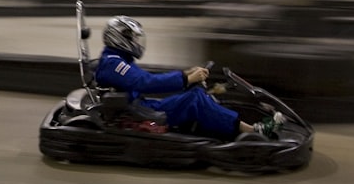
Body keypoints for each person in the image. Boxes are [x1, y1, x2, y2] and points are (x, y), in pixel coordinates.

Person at [94, 15, 284, 140]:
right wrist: (186, 79)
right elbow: (144, 82)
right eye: (132, 38)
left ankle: (226, 125)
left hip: (140, 105)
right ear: (119, 38)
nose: (136, 42)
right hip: (139, 112)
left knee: (196, 94)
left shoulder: (117, 59)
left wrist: (184, 74)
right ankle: (252, 132)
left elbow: (144, 78)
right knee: (195, 99)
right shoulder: (113, 63)